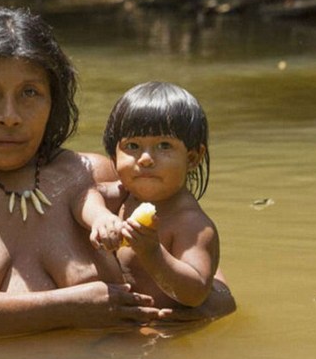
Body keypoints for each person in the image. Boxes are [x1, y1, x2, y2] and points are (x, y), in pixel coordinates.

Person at [0, 7, 234, 339]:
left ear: (54, 102)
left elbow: (210, 286)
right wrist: (66, 309)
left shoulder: (92, 174)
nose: (9, 116)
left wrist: (196, 310)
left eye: (30, 93)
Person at [73, 81, 231, 312]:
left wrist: (153, 253)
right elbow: (83, 196)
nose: (146, 159)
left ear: (192, 158)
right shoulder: (124, 194)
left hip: (162, 326)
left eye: (164, 145)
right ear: (114, 158)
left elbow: (196, 293)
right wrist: (99, 216)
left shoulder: (191, 224)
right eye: (133, 146)